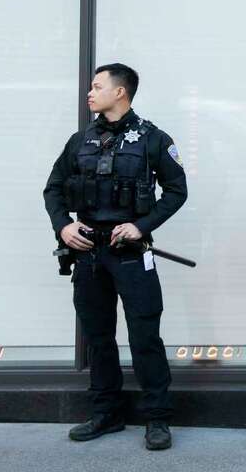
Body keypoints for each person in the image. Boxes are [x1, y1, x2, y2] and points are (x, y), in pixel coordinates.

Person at [43, 63, 188, 451]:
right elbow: (53, 189)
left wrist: (141, 226)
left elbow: (176, 191)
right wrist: (64, 227)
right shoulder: (80, 140)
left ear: (120, 92)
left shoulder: (153, 139)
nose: (89, 93)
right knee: (99, 338)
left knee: (144, 337)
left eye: (96, 86)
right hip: (89, 253)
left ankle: (157, 419)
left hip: (129, 252)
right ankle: (106, 413)